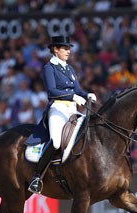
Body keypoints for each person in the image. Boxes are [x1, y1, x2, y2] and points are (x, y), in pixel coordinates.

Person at [28, 35, 97, 193]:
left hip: (73, 110)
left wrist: (86, 95)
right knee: (57, 142)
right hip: (57, 108)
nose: (68, 51)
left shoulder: (69, 68)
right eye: (65, 48)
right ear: (55, 50)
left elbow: (77, 89)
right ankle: (37, 177)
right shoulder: (49, 68)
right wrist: (73, 96)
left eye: (69, 48)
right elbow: (52, 91)